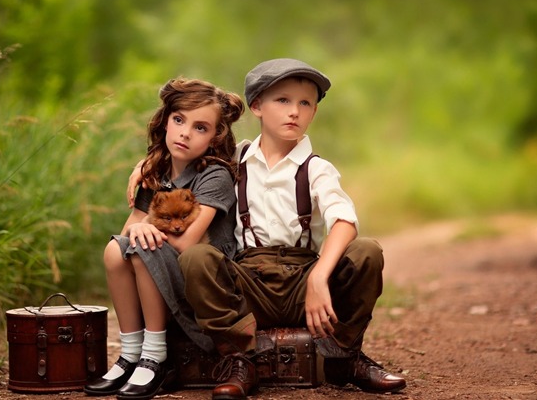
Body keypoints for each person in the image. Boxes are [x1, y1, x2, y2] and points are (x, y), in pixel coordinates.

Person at [173, 59, 407, 399]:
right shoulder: (232, 160)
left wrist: (317, 278)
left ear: (313, 112)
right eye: (282, 100)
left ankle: (344, 356)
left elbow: (344, 220)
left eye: (305, 103)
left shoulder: (317, 168)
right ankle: (241, 358)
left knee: (367, 251)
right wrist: (142, 169)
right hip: (249, 282)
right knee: (196, 258)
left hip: (304, 281)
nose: (294, 112)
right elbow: (179, 162)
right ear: (256, 106)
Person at [84, 77, 245, 400]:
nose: (185, 132)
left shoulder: (215, 176)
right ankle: (130, 353)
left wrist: (147, 230)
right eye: (179, 120)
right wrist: (139, 225)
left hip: (205, 281)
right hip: (165, 269)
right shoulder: (155, 172)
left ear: (215, 138)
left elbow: (187, 244)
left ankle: (155, 355)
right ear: (166, 122)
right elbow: (129, 231)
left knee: (145, 248)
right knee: (116, 251)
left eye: (201, 128)